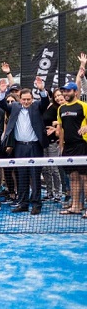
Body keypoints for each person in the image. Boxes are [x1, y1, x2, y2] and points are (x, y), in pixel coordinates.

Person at [0, 77, 49, 215]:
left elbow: (45, 102)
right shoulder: (14, 107)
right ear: (19, 99)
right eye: (24, 99)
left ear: (32, 99)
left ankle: (36, 204)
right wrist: (2, 92)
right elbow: (2, 105)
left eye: (29, 99)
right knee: (22, 176)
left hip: (35, 147)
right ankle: (23, 203)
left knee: (35, 176)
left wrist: (42, 90)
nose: (26, 102)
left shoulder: (37, 106)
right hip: (19, 147)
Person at [57, 81, 87, 218]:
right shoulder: (61, 109)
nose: (65, 93)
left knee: (85, 178)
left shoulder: (83, 106)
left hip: (82, 145)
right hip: (68, 148)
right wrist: (61, 146)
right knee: (73, 178)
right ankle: (75, 206)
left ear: (75, 92)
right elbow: (61, 128)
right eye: (64, 91)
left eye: (68, 91)